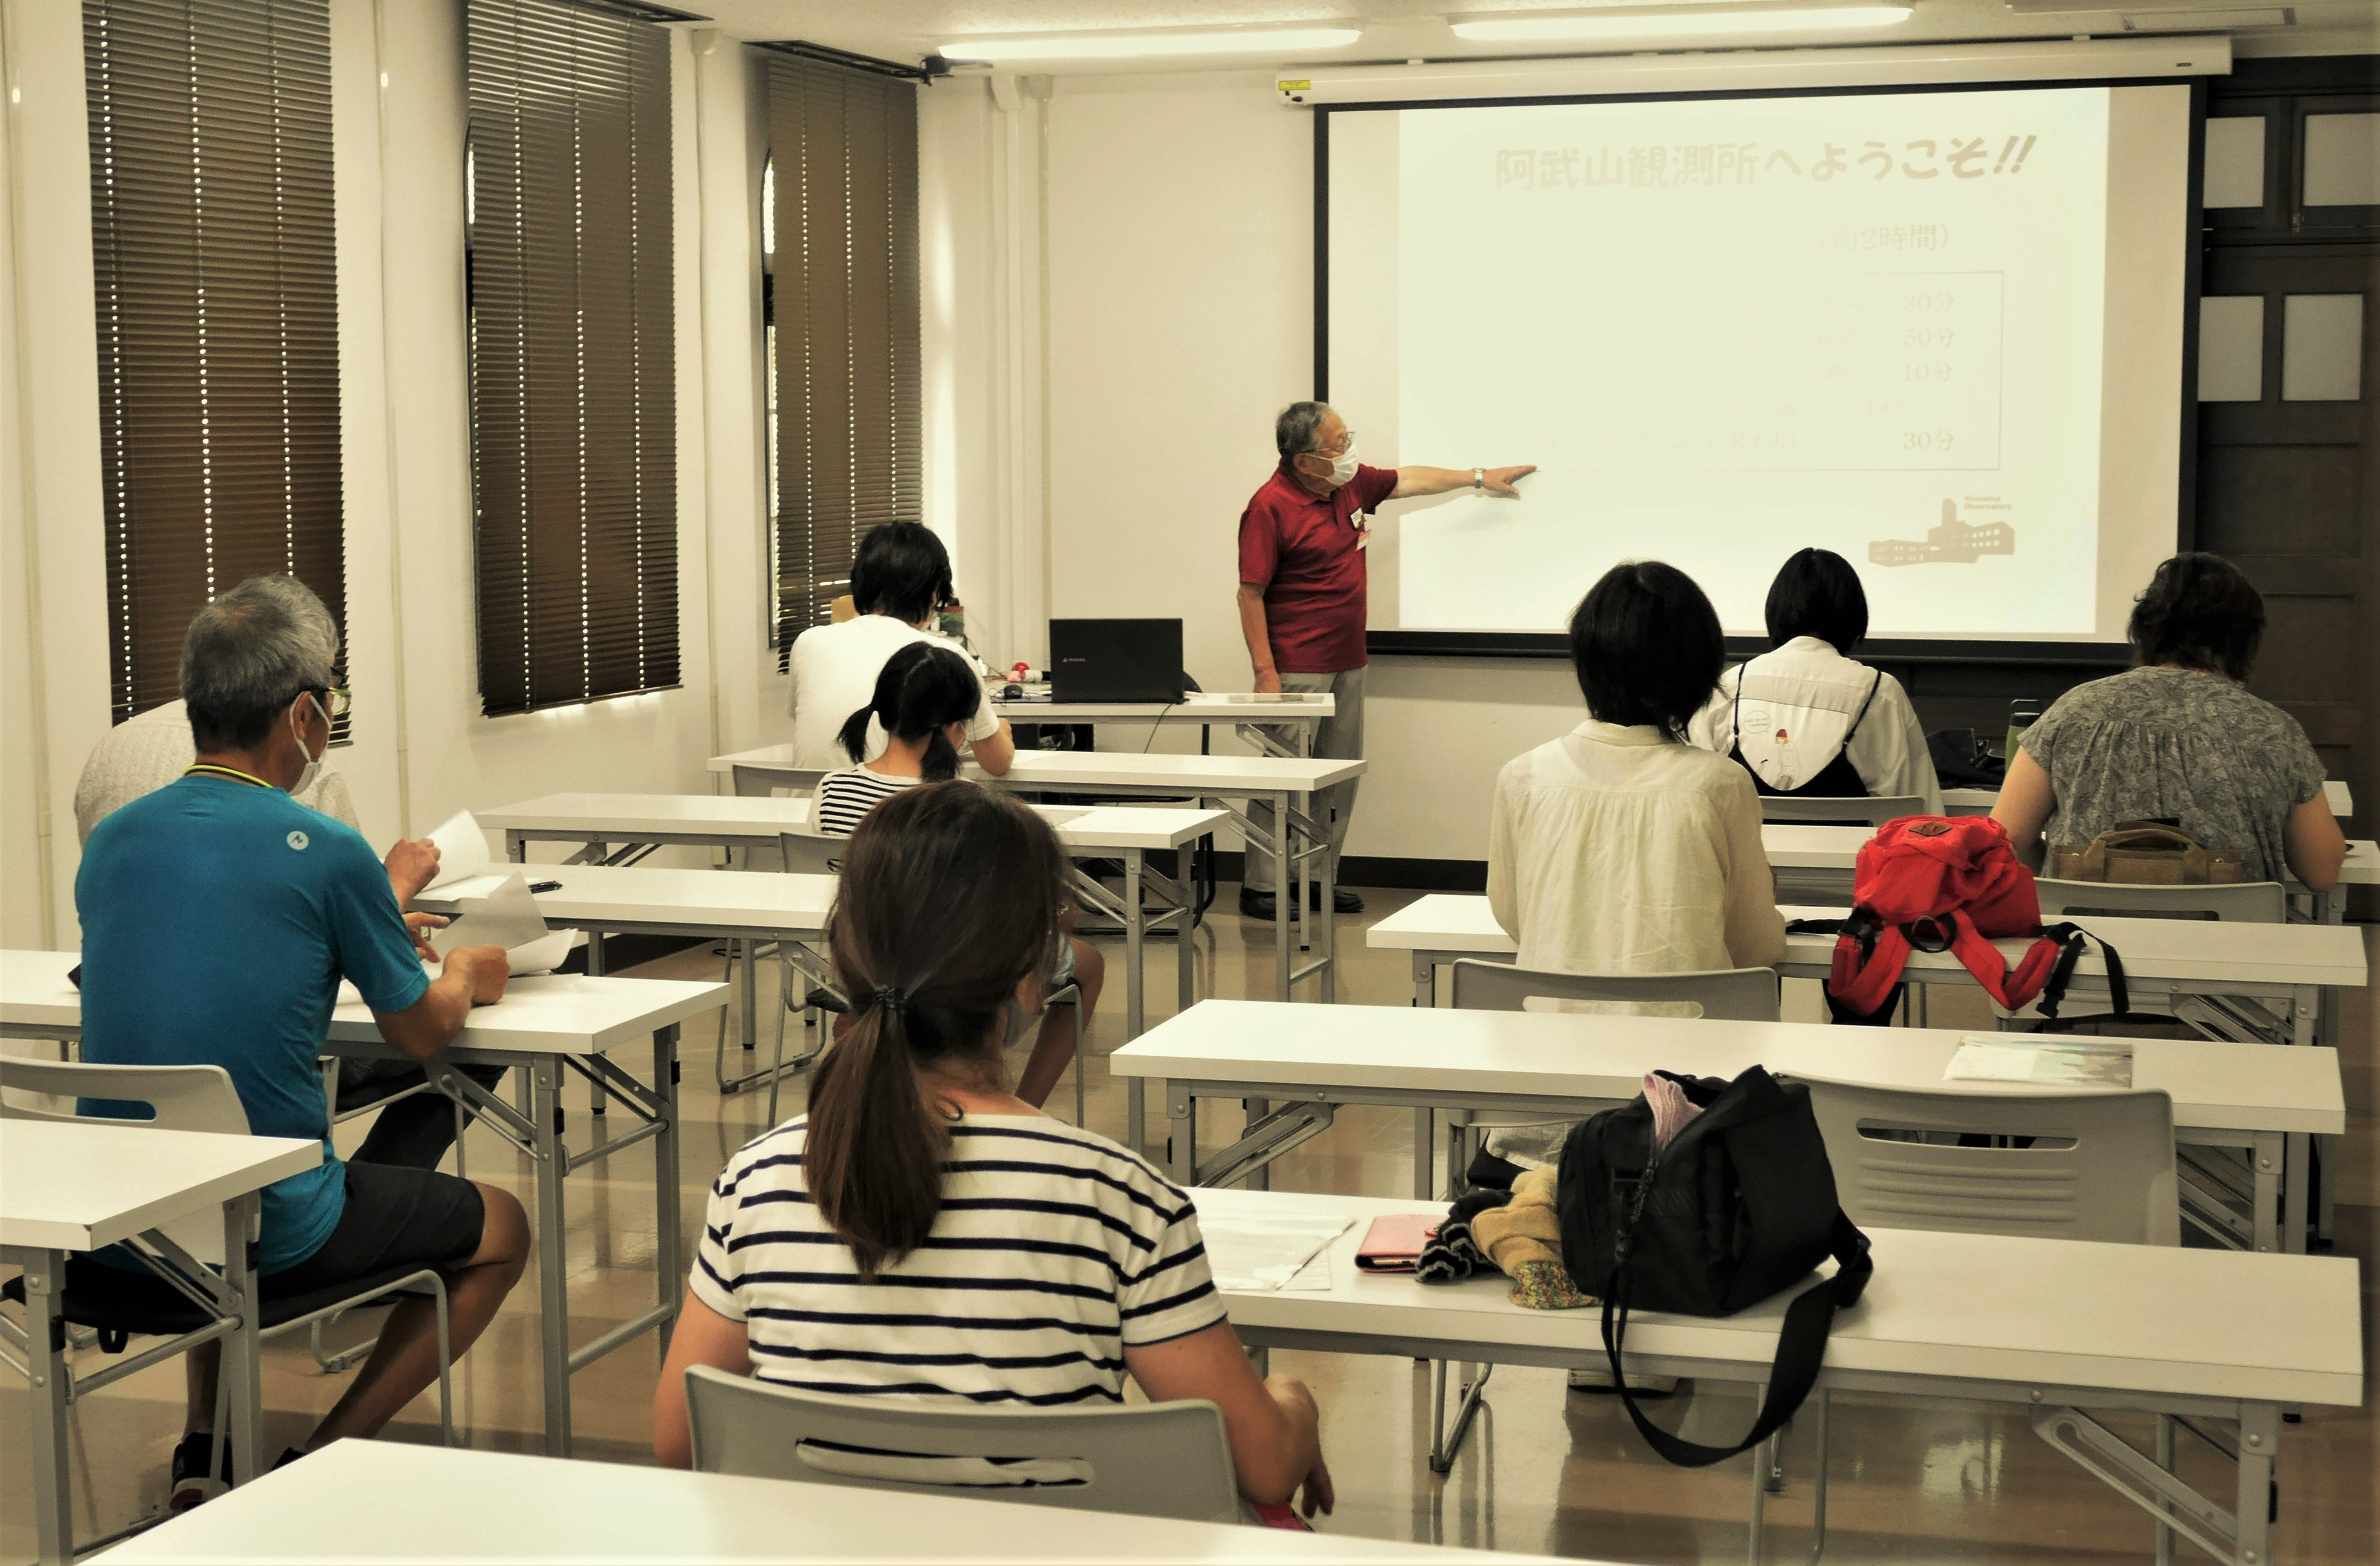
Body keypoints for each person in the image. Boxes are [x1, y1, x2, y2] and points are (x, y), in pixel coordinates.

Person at [654, 784, 1332, 1520]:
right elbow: (1265, 1467)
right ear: (1032, 976)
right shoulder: (1117, 1199)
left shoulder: (756, 1183)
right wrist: (1294, 1399)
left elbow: (679, 1442)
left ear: (844, 955)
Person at [75, 575, 531, 1506]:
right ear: (303, 716)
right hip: (272, 1231)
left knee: (208, 1161)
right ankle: (318, 1462)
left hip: (121, 1233)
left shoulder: (114, 841)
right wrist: (465, 973)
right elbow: (418, 1033)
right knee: (505, 1228)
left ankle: (205, 1449)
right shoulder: (323, 846)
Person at [74, 694, 503, 1175]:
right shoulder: (312, 798)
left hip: (126, 1160)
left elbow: (204, 916)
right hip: (261, 1136)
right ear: (301, 713)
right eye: (330, 700)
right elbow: (418, 1031)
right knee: (477, 1045)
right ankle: (373, 1186)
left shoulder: (112, 777)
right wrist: (454, 960)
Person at [1480, 561, 1787, 1178]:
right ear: (1697, 672)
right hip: (1682, 1124)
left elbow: (1513, 917)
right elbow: (1755, 949)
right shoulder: (1720, 785)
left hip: (1540, 1118)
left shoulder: (1524, 776)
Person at [1234, 401, 1535, 920]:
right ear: (1305, 460)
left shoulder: (1347, 484)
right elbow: (1250, 594)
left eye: (1347, 437)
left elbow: (1409, 479)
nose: (1349, 451)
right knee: (1282, 776)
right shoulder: (1269, 506)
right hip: (1296, 666)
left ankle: (1315, 879)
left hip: (1349, 658)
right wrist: (1265, 672)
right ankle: (1262, 885)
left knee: (1338, 775)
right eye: (1338, 445)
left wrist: (1479, 476)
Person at [809, 643, 1106, 1111]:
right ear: (954, 729)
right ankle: (1024, 1106)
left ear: (883, 715)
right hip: (949, 991)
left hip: (861, 975)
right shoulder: (962, 805)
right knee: (1087, 962)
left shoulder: (831, 790)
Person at [1993, 553, 2345, 890]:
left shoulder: (2074, 711)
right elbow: (2322, 873)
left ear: (2145, 630)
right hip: (2232, 932)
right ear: (2245, 640)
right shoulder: (2273, 730)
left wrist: (2053, 872)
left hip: (2085, 929)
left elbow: (2006, 841)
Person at [1688, 548, 1943, 815]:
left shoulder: (1730, 686)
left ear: (1775, 610)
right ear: (1854, 614)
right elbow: (1919, 809)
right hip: (1853, 843)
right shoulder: (1880, 692)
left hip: (1748, 841)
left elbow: (1695, 793)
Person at [786, 521, 1013, 777]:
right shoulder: (943, 657)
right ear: (934, 594)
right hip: (896, 803)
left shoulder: (808, 642)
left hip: (811, 800)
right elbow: (998, 764)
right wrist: (1001, 731)